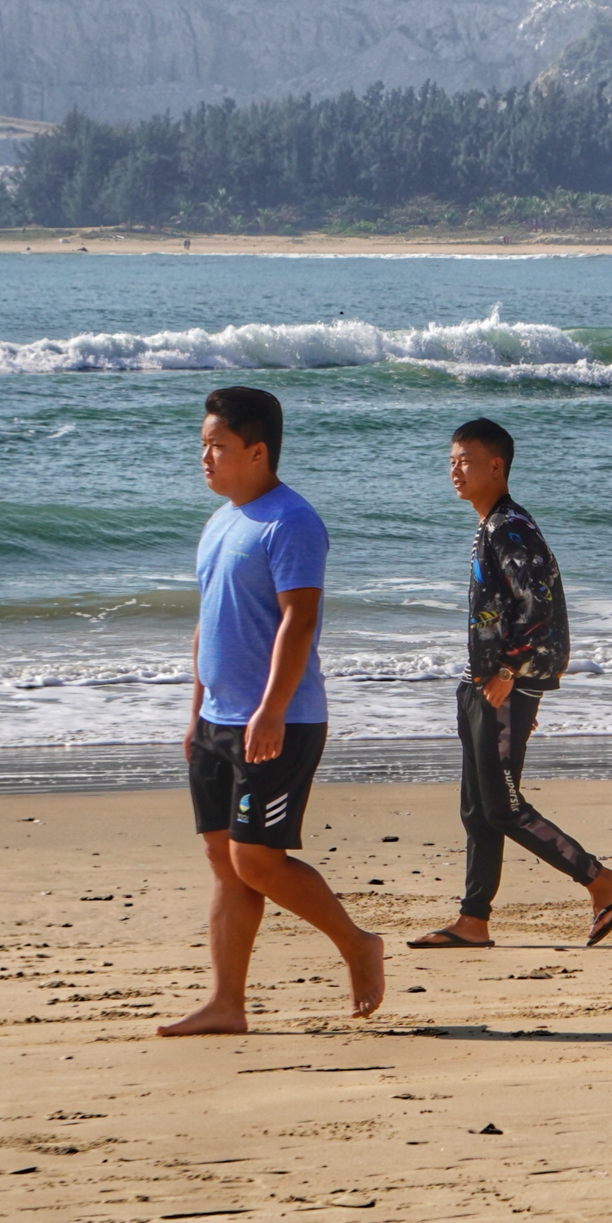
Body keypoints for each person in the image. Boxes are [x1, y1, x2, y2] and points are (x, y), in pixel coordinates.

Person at [160, 387, 384, 1035]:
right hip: (219, 720)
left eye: (219, 446)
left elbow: (300, 618)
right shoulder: (220, 521)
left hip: (279, 719)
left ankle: (356, 943)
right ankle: (227, 1001)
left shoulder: (291, 520)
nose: (206, 456)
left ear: (258, 452)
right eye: (203, 444)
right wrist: (196, 712)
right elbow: (207, 623)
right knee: (223, 857)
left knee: (256, 858)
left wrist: (271, 708)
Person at [408, 418, 612, 950]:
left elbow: (539, 604)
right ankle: (473, 920)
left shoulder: (511, 526)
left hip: (506, 685)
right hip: (482, 683)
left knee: (503, 805)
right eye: (451, 461)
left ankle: (599, 880)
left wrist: (510, 670)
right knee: (477, 806)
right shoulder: (491, 524)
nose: (454, 471)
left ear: (496, 466)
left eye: (464, 461)